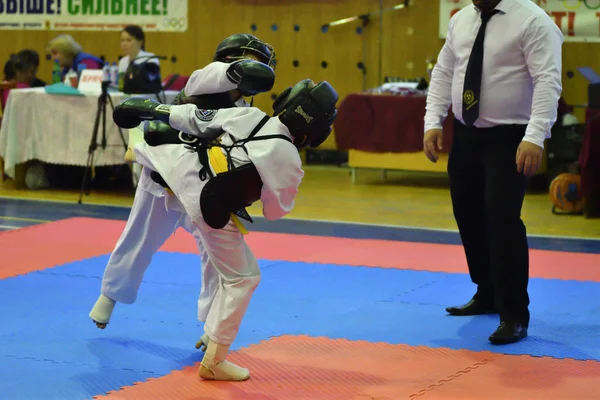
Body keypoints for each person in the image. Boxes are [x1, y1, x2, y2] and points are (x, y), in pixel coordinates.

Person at [111, 77, 338, 381]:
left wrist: (156, 109)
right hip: (208, 204)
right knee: (243, 277)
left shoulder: (251, 115)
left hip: (178, 170)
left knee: (222, 265)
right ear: (315, 130)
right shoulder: (289, 158)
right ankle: (214, 360)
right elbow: (275, 211)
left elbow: (196, 119)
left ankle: (138, 143)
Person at [89, 34, 276, 335]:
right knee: (139, 238)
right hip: (162, 174)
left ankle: (211, 325)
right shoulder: (204, 79)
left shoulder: (245, 111)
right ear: (231, 62)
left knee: (217, 253)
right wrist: (239, 69)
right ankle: (109, 296)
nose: (259, 73)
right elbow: (222, 74)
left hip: (202, 186)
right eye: (253, 65)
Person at [423, 0, 563, 344]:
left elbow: (548, 80)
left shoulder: (532, 20)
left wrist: (535, 136)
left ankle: (514, 313)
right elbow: (444, 72)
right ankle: (487, 291)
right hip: (467, 134)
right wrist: (432, 121)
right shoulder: (462, 20)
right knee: (468, 215)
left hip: (511, 137)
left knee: (501, 218)